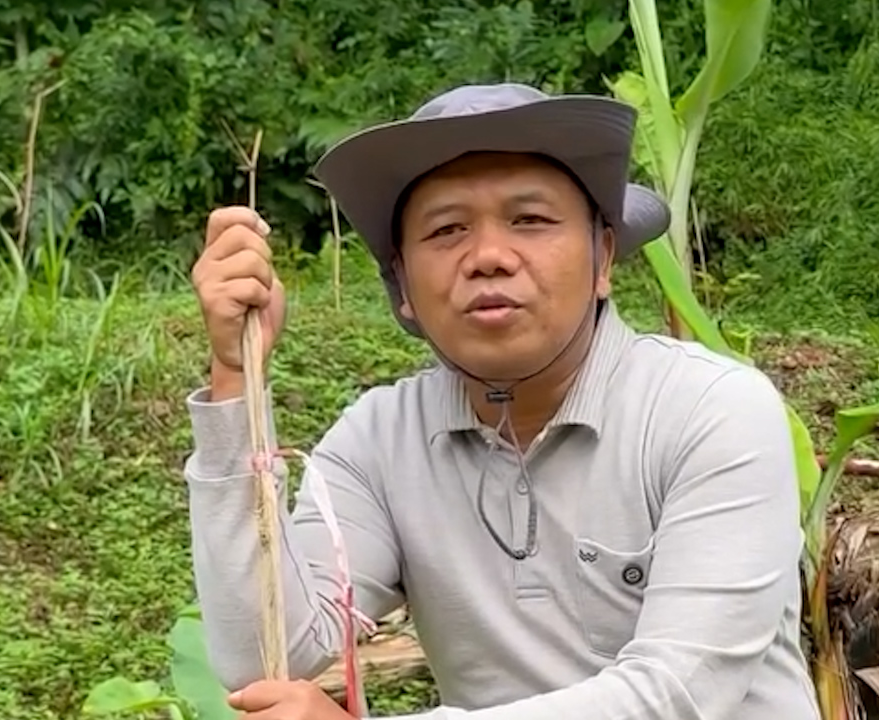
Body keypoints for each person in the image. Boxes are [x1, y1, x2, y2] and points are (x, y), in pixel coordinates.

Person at [183, 83, 821, 720]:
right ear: (402, 285)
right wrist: (237, 377)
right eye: (447, 229)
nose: (488, 257)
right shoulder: (379, 443)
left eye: (530, 220)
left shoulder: (710, 411)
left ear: (603, 257)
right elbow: (266, 658)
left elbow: (680, 693)